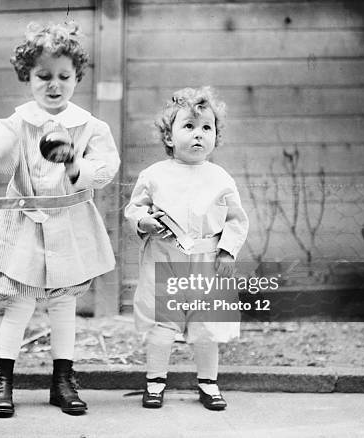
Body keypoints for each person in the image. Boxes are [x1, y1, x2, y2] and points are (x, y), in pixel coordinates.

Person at [0, 21, 120, 418]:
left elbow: (105, 169)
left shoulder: (90, 126)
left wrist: (76, 161)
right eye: (43, 76)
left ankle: (62, 382)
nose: (54, 85)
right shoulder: (17, 121)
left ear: (77, 77)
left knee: (63, 305)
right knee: (19, 305)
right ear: (28, 76)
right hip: (25, 222)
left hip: (70, 221)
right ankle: (2, 382)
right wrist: (0, 146)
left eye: (64, 76)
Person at [124, 87, 248, 410]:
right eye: (189, 126)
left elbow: (236, 219)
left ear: (216, 136)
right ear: (169, 136)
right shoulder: (154, 175)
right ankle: (155, 382)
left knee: (207, 326)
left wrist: (227, 251)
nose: (198, 135)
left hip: (207, 261)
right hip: (165, 257)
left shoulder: (220, 178)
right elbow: (134, 209)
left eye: (207, 128)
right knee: (161, 325)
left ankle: (208, 383)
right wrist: (143, 222)